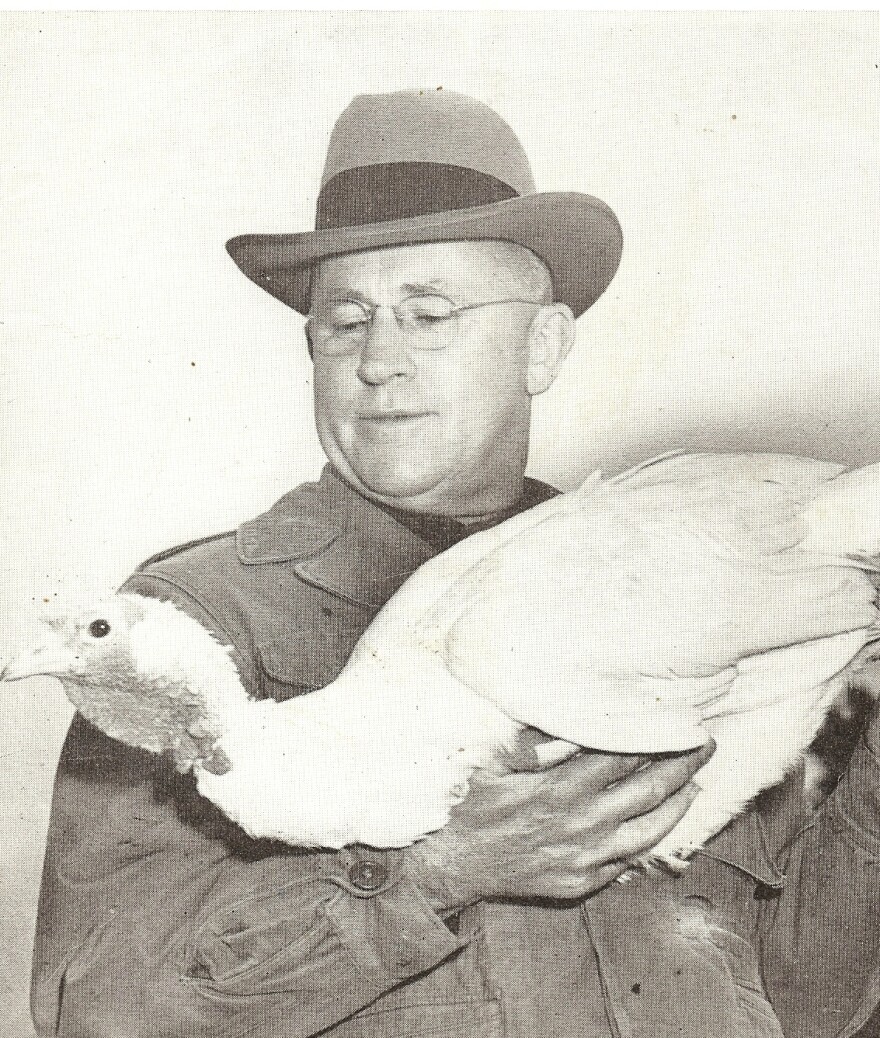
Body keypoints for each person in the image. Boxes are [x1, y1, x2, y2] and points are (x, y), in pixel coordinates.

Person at [32, 89, 880, 1038]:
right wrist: (436, 873)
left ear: (544, 345)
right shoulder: (198, 629)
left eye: (430, 313)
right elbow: (100, 1015)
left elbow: (812, 998)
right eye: (346, 321)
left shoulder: (685, 574)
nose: (380, 360)